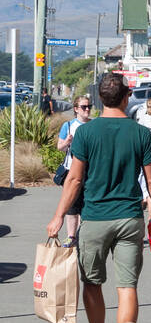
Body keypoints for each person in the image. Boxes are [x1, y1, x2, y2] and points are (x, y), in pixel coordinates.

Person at [47, 72, 151, 323]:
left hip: (95, 219)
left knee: (92, 284)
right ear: (127, 96)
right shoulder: (140, 133)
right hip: (130, 218)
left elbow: (74, 179)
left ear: (99, 99)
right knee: (127, 287)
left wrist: (59, 215)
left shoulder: (86, 134)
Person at [56, 93, 92, 246]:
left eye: (89, 107)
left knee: (88, 206)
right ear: (76, 109)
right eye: (84, 107)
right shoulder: (69, 126)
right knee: (71, 206)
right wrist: (67, 141)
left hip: (91, 172)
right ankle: (71, 236)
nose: (87, 110)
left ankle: (83, 235)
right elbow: (60, 148)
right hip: (72, 171)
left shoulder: (94, 125)